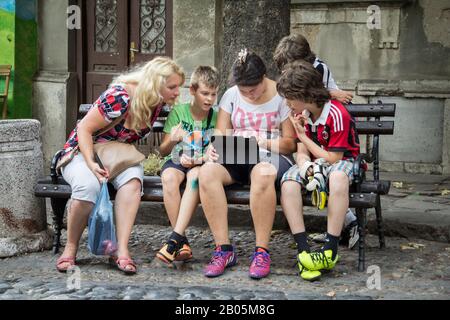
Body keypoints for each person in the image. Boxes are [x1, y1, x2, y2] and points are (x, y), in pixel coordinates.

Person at [55, 57, 185, 274]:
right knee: (88, 186)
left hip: (118, 156)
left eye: (177, 87)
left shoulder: (155, 102)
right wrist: (90, 163)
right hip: (83, 151)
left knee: (133, 183)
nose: (177, 92)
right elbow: (84, 129)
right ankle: (70, 248)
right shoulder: (120, 96)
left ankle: (121, 250)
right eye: (172, 87)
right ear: (155, 83)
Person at [198, 50, 297, 279]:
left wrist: (264, 141)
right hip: (239, 152)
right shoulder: (231, 95)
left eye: (253, 89)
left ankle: (261, 251)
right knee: (207, 173)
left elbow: (290, 143)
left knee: (262, 174)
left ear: (264, 77)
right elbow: (221, 135)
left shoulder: (281, 96)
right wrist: (214, 147)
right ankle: (223, 249)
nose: (249, 95)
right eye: (244, 91)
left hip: (270, 153)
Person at [277, 60, 362, 281]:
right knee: (288, 182)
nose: (287, 104)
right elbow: (302, 151)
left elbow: (335, 158)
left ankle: (330, 249)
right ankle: (303, 250)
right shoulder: (302, 114)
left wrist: (304, 136)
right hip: (317, 164)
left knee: (337, 177)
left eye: (289, 98)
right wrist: (306, 168)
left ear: (304, 94)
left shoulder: (336, 114)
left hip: (344, 161)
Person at [157, 66, 220, 264]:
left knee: (194, 178)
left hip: (202, 164)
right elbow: (163, 151)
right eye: (204, 93)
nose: (209, 99)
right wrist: (173, 140)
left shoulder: (217, 116)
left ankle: (175, 241)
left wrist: (198, 160)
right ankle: (182, 242)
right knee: (168, 178)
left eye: (213, 94)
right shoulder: (179, 112)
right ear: (192, 91)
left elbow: (219, 152)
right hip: (178, 159)